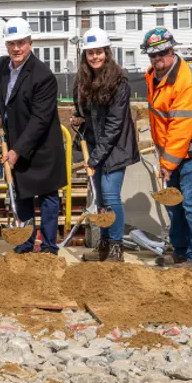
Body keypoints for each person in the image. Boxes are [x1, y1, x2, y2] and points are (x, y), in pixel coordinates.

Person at [142, 27, 192, 268]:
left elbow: (181, 127)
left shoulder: (187, 81)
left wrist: (167, 163)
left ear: (172, 50)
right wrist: (162, 153)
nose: (158, 59)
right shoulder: (153, 76)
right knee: (174, 204)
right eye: (153, 55)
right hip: (173, 151)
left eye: (162, 53)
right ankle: (181, 251)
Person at [0, 17, 67, 255]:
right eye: (11, 43)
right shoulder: (2, 66)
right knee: (22, 193)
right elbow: (0, 93)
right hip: (18, 142)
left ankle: (48, 247)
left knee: (48, 196)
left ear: (30, 43)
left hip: (43, 147)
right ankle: (24, 244)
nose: (16, 48)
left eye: (21, 43)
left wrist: (17, 150)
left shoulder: (43, 75)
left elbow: (40, 120)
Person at [73, 29, 140, 263]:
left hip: (115, 147)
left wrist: (94, 158)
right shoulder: (82, 80)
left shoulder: (119, 82)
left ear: (107, 53)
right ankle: (103, 245)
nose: (95, 57)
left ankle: (116, 248)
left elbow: (113, 125)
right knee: (100, 200)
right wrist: (77, 117)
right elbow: (81, 110)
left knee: (110, 197)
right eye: (90, 53)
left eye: (99, 52)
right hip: (94, 145)